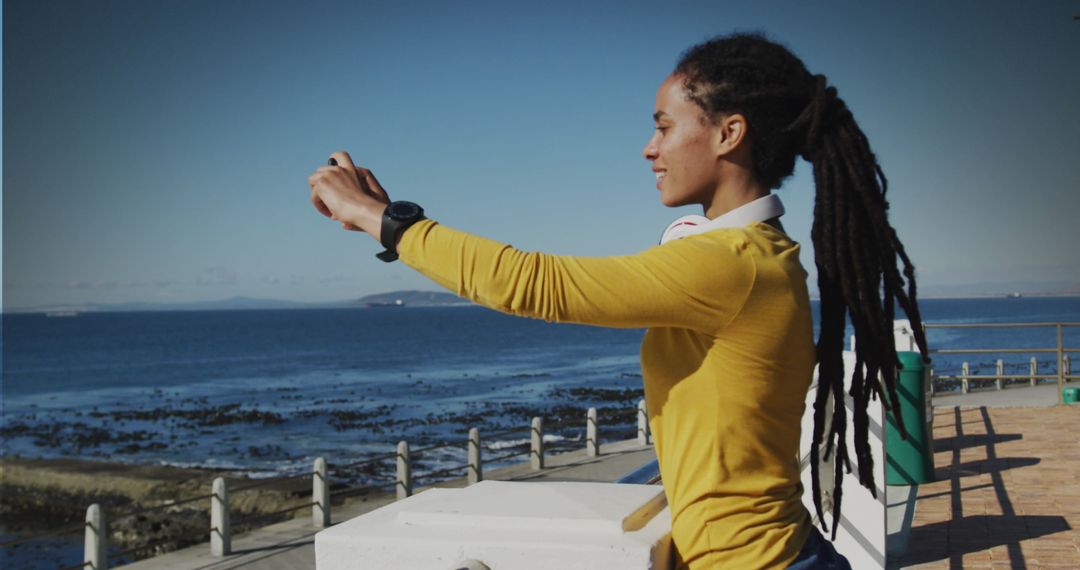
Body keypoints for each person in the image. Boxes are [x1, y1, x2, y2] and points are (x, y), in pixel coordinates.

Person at [307, 32, 926, 570]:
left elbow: (532, 283)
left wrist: (382, 221)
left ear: (728, 133)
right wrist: (383, 220)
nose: (649, 148)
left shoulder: (732, 265)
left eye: (664, 127)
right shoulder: (751, 255)